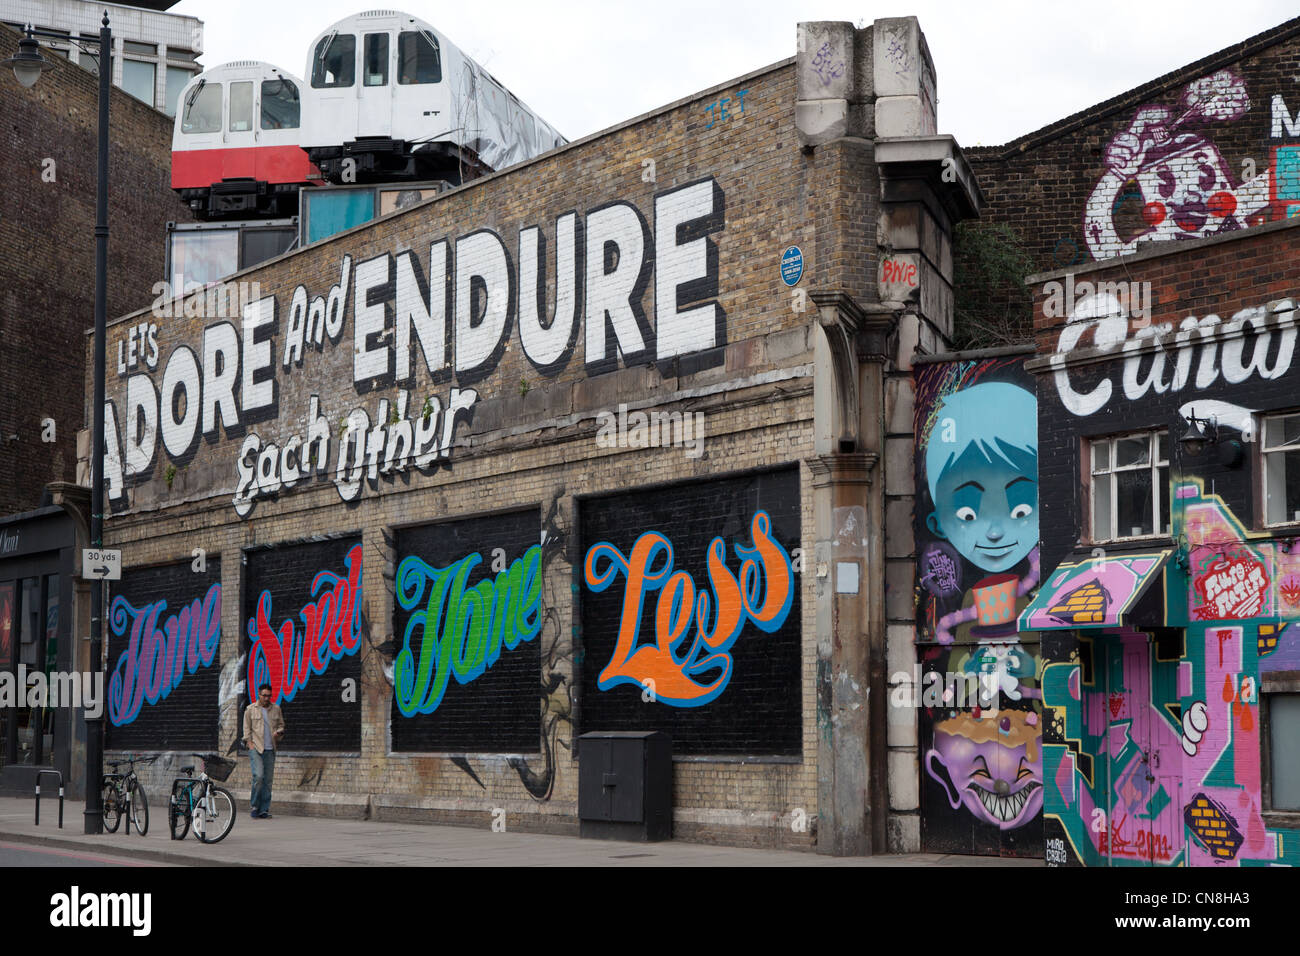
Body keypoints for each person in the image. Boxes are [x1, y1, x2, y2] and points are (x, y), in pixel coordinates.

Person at [242, 683, 284, 819]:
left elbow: (281, 725)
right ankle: (254, 805)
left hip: (270, 748)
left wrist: (279, 732)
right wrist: (250, 744)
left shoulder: (276, 709)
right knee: (259, 776)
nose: (266, 698)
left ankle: (264, 809)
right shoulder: (250, 709)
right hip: (256, 748)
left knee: (268, 780)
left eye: (269, 696)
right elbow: (246, 730)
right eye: (264, 695)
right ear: (259, 695)